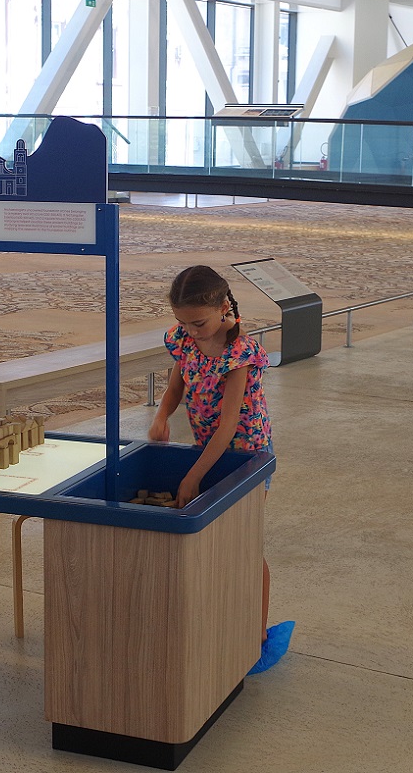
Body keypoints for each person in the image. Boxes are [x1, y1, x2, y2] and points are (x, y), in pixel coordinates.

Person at [147, 265, 294, 674]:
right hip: (207, 449)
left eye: (199, 323)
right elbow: (176, 385)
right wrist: (161, 416)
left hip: (247, 456)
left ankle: (257, 635)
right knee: (215, 541)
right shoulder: (184, 340)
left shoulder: (239, 353)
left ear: (223, 306)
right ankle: (222, 619)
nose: (191, 331)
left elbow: (229, 425)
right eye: (183, 323)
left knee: (243, 544)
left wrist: (192, 476)